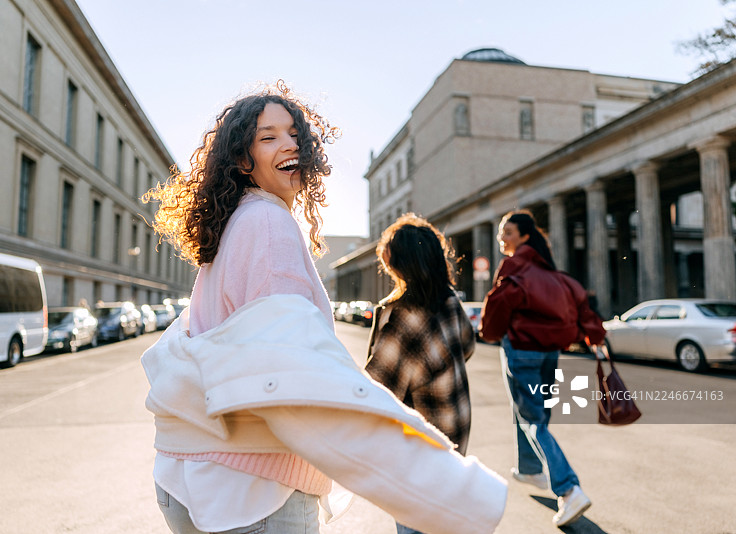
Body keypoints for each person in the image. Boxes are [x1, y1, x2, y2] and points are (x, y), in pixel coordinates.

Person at [141, 81, 507, 534]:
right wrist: (458, 492)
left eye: (294, 133)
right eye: (269, 136)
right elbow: (297, 382)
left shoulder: (238, 225)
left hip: (196, 476)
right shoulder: (269, 224)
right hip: (254, 491)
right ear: (241, 159)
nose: (290, 143)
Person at [478, 209, 605, 528]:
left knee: (532, 418)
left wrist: (489, 333)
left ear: (524, 236)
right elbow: (579, 300)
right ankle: (530, 469)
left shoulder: (514, 266)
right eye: (501, 232)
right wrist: (595, 335)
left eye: (508, 232)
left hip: (521, 349)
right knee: (532, 413)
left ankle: (568, 489)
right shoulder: (548, 270)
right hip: (549, 352)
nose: (502, 238)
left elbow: (498, 306)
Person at [365, 214, 476, 534]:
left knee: (416, 524)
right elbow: (467, 347)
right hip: (456, 427)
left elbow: (377, 389)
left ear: (397, 259)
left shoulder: (400, 315)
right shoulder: (451, 299)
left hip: (419, 446)